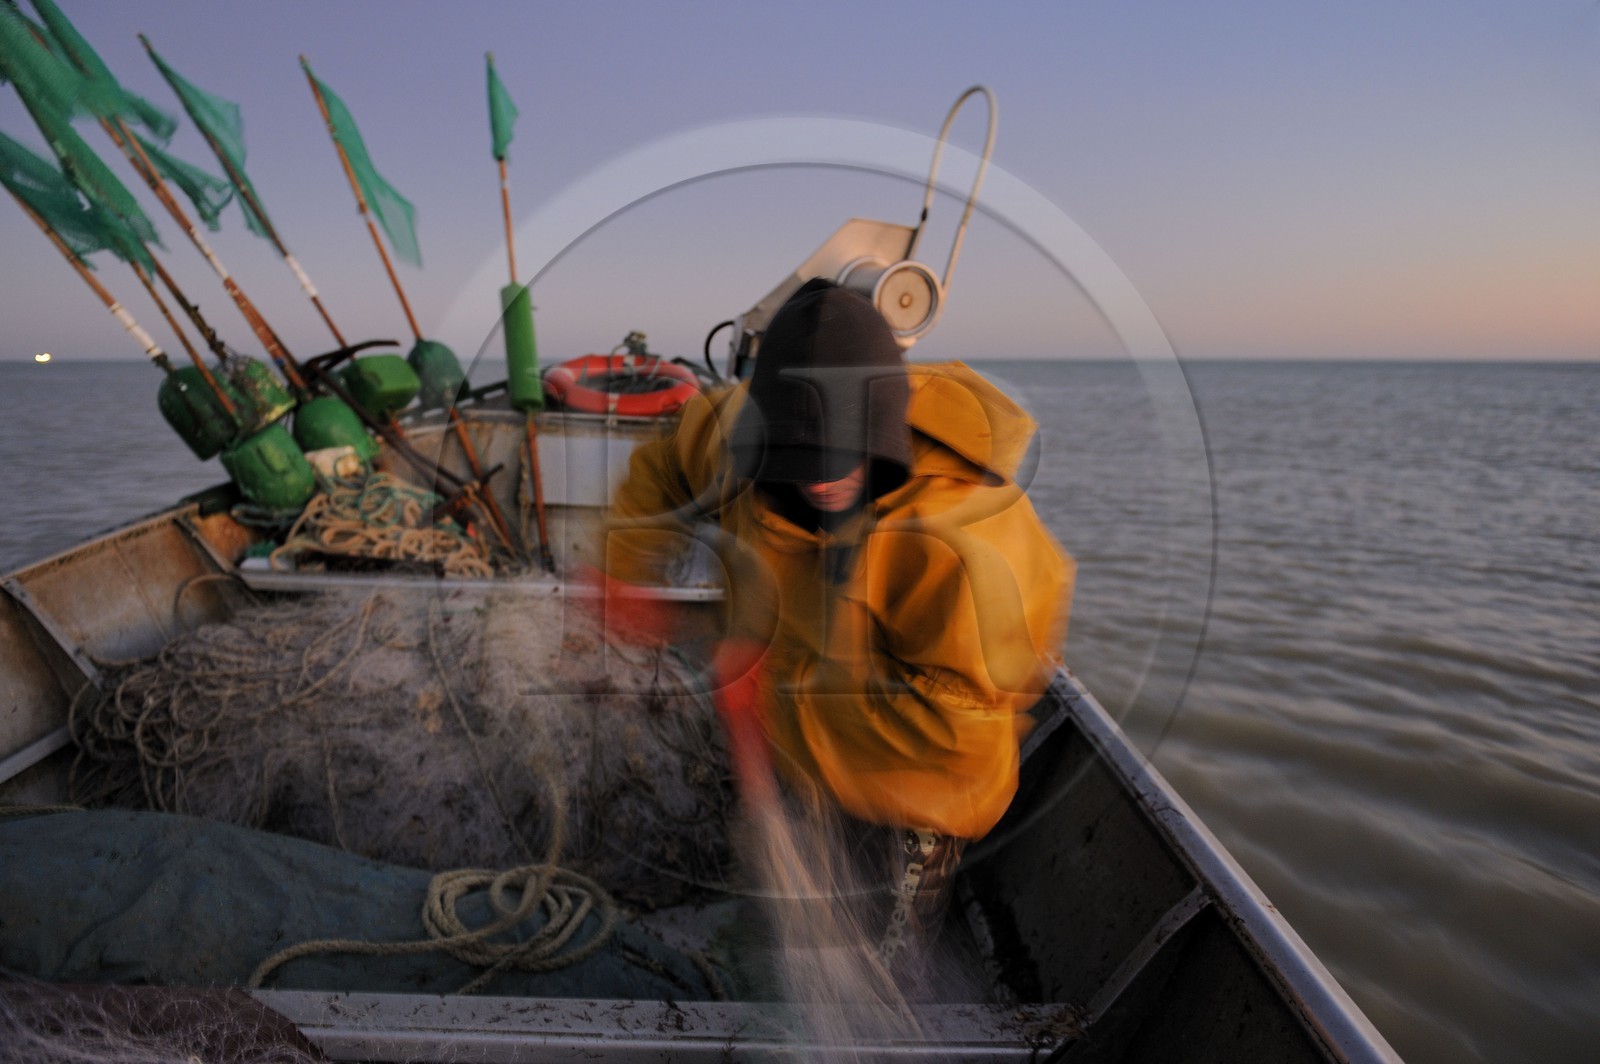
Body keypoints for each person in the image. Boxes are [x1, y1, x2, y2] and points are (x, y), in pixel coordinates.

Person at [597, 277, 1073, 977]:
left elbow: (958, 730)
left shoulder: (971, 546)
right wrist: (623, 572)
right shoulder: (735, 438)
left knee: (876, 965)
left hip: (914, 790)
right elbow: (667, 464)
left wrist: (768, 699)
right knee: (770, 917)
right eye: (795, 464)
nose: (820, 482)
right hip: (791, 738)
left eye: (843, 461)